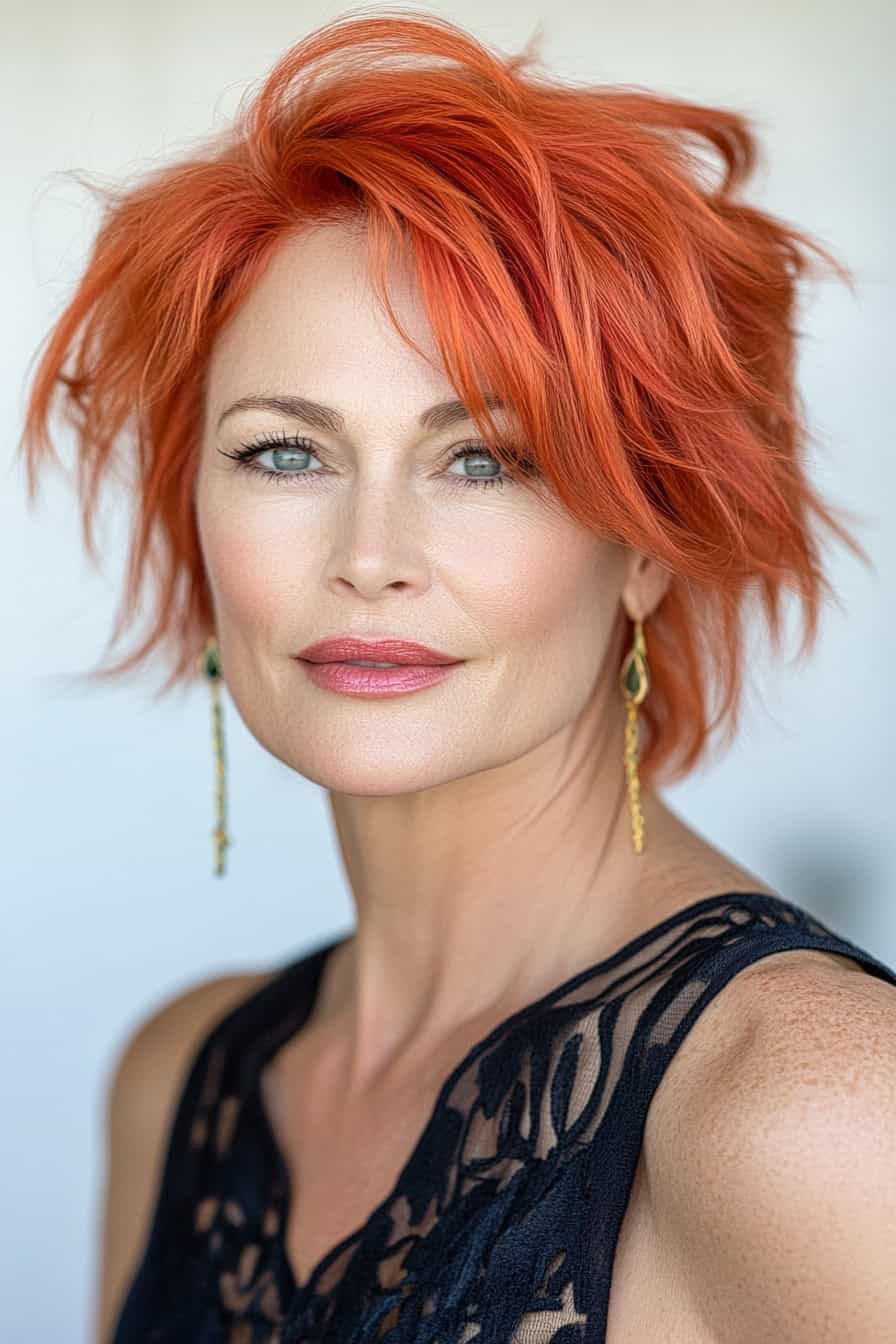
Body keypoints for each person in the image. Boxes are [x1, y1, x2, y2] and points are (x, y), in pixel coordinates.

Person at [18, 11, 896, 1344]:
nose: (371, 557)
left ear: (648, 544)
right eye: (282, 454)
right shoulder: (181, 1078)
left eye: (485, 458)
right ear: (192, 517)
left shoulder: (817, 1113)